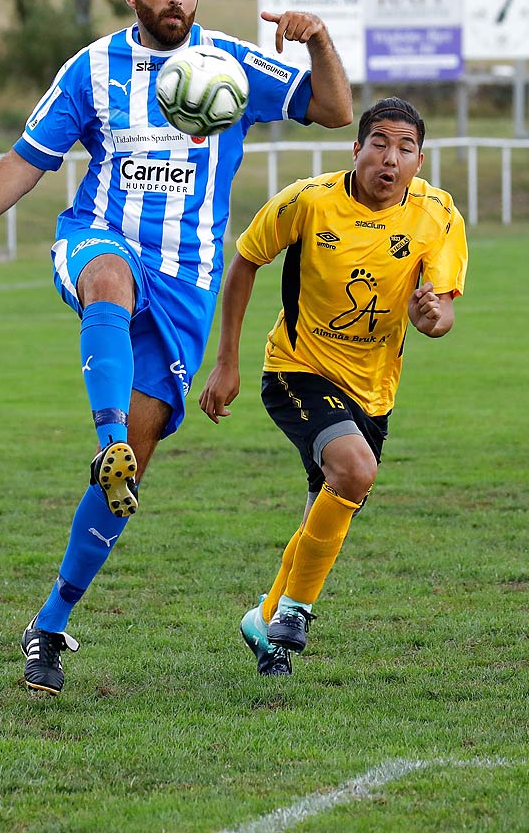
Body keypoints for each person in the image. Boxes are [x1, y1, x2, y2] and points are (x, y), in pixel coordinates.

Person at [0, 0, 353, 696]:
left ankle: (49, 623)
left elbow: (336, 110)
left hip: (185, 282)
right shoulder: (92, 69)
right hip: (98, 239)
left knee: (134, 469)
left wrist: (321, 42)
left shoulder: (231, 64)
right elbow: (25, 163)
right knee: (108, 279)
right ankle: (106, 440)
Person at [199, 98, 467, 676]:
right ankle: (295, 610)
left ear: (420, 160)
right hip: (297, 369)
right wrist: (226, 362)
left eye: (405, 148)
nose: (389, 159)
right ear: (356, 148)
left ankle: (264, 619)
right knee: (355, 471)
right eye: (379, 143)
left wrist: (431, 318)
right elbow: (244, 260)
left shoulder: (438, 215)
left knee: (329, 501)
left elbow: (441, 312)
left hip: (374, 390)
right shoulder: (309, 200)